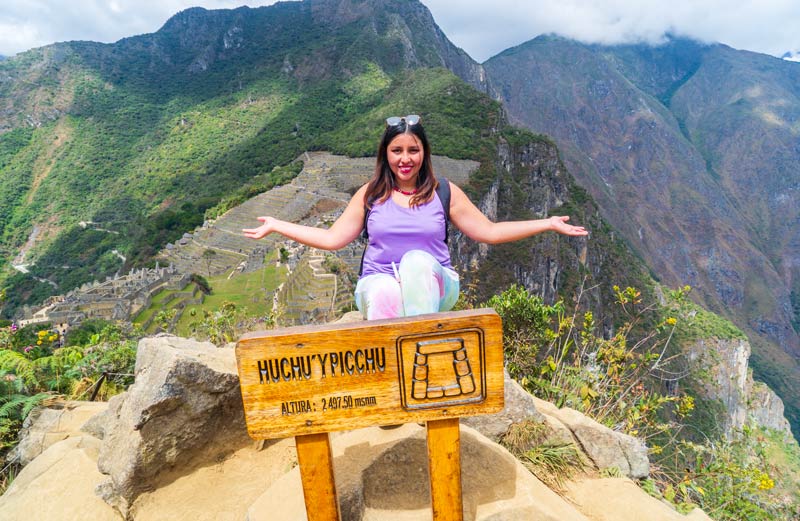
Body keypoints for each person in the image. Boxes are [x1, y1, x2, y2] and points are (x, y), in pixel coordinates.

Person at [243, 114, 588, 320]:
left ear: (424, 153)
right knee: (384, 294)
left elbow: (490, 231)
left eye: (413, 150)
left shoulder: (443, 192)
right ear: (386, 154)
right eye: (397, 151)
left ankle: (422, 361)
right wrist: (277, 225)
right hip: (378, 282)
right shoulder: (370, 195)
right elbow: (333, 239)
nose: (405, 159)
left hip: (435, 283)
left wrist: (548, 223)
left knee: (417, 263)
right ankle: (393, 384)